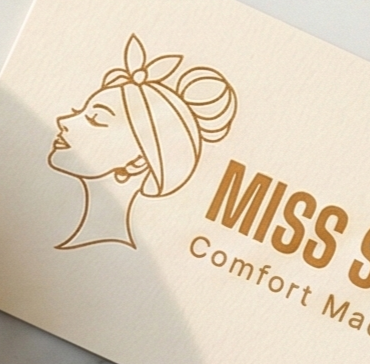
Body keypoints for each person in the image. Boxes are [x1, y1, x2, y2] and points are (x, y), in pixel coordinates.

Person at [49, 34, 237, 250]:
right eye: (78, 112)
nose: (63, 121)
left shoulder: (112, 255)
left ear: (140, 160)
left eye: (95, 118)